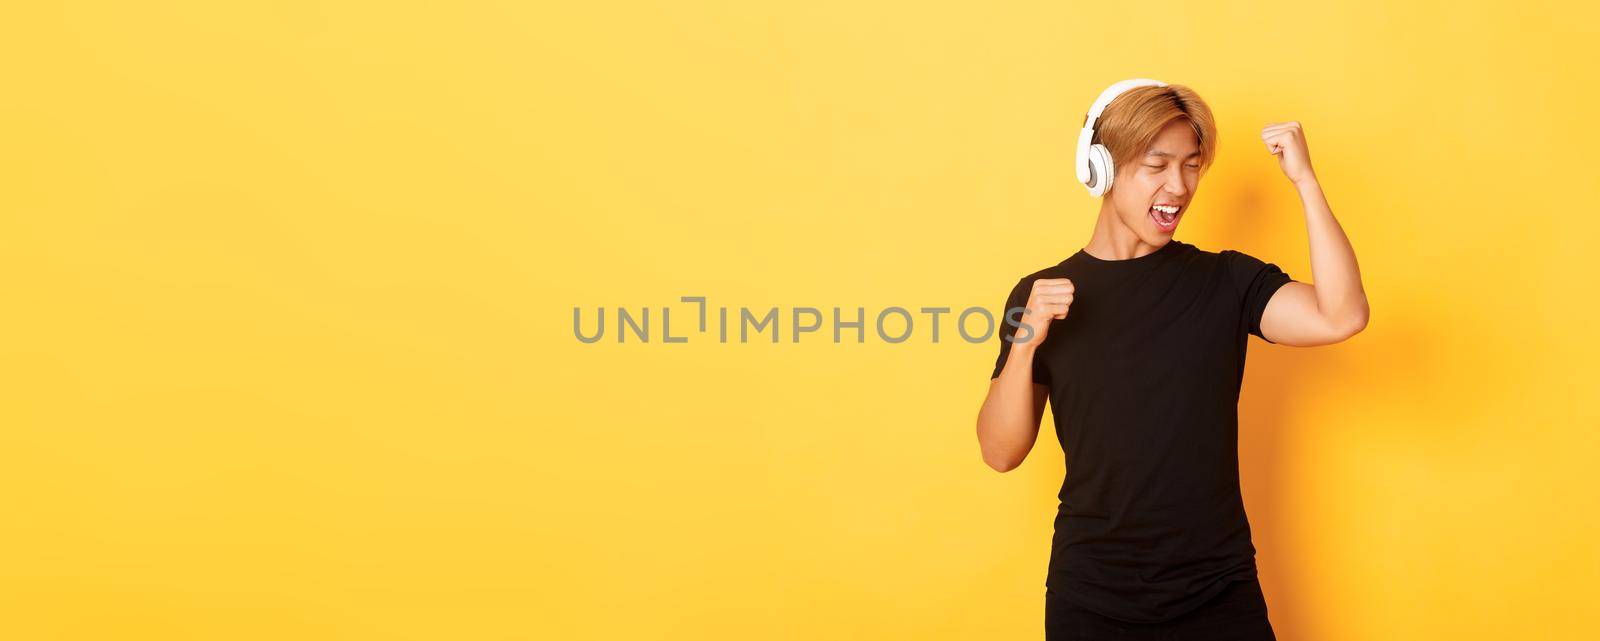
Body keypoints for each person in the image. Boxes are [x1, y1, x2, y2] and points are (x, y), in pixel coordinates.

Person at [974, 79, 1369, 640]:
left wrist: (1305, 181)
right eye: (1156, 165)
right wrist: (1026, 341)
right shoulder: (1038, 294)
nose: (1178, 187)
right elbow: (999, 451)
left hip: (1217, 591)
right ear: (1101, 169)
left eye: (1190, 166)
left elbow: (1341, 315)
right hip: (1092, 597)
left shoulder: (1225, 281)